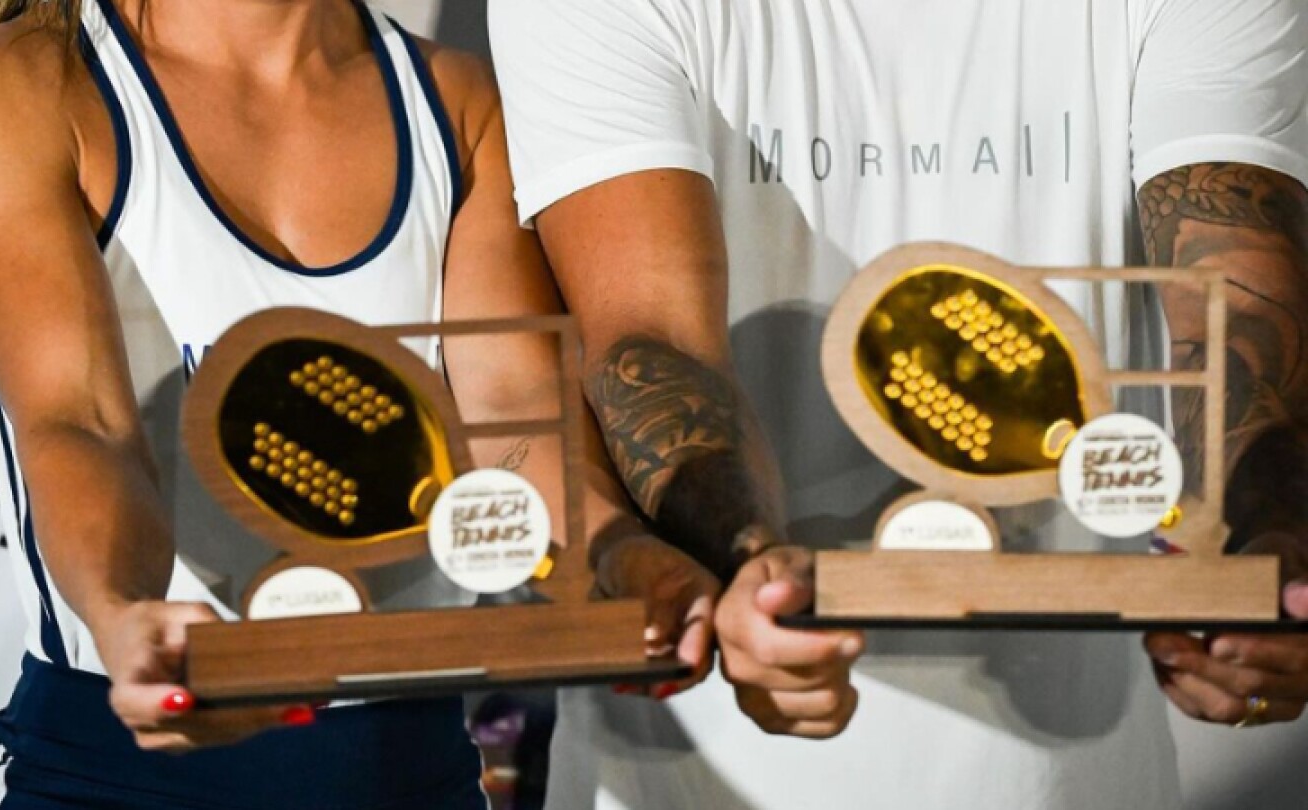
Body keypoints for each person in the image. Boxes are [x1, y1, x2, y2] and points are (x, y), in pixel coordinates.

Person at [488, 0, 1308, 807]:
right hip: (699, 772)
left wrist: (1270, 554)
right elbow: (652, 338)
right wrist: (758, 576)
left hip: (1079, 769)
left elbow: (1237, 305)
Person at [0, 0, 714, 807]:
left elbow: (509, 424)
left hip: (412, 771)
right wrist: (128, 616)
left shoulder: (459, 103)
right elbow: (82, 422)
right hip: (105, 776)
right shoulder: (17, 84)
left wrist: (622, 559)